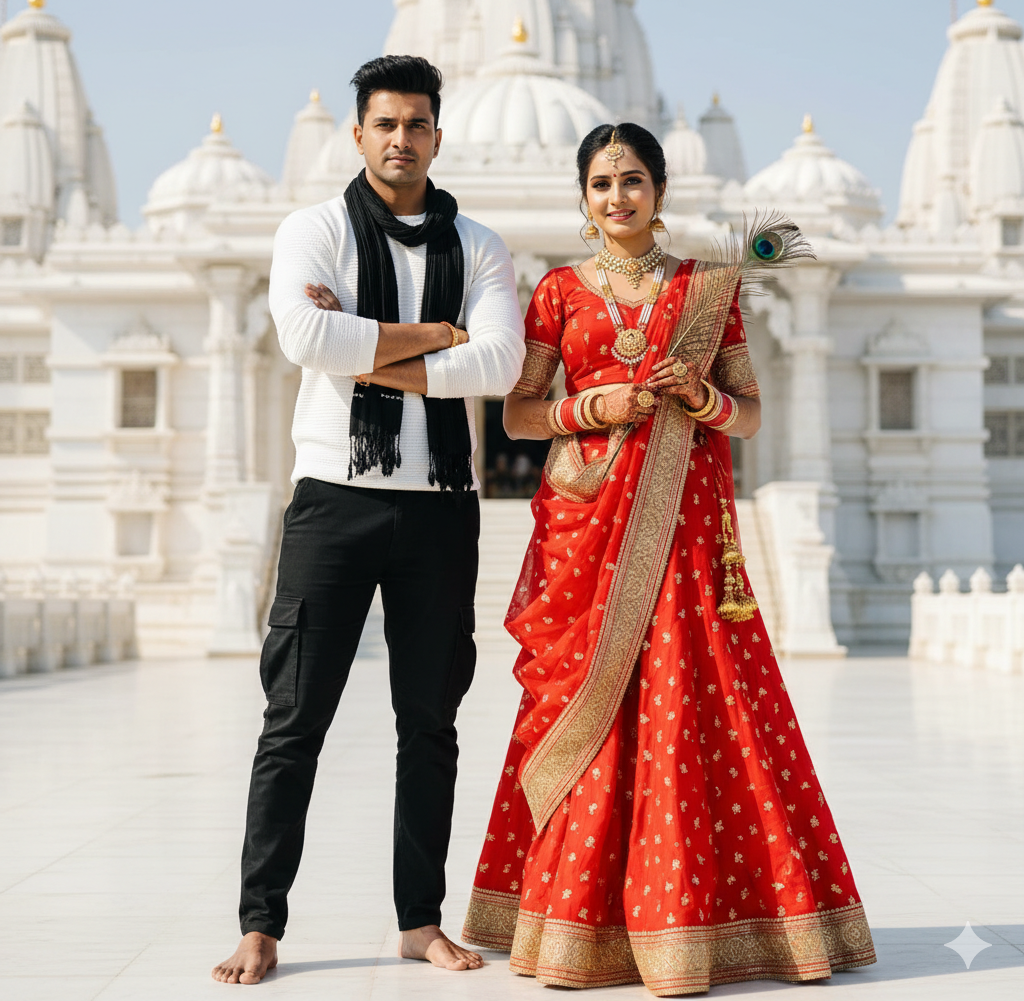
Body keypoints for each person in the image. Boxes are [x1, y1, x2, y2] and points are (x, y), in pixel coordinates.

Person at [461, 123, 876, 995]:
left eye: (635, 179)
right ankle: (575, 922)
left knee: (692, 697)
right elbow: (519, 416)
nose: (619, 196)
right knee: (589, 704)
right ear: (583, 196)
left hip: (685, 528)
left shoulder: (708, 287)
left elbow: (751, 414)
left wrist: (703, 398)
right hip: (589, 531)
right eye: (603, 182)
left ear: (660, 190)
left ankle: (700, 922)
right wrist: (597, 405)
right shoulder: (558, 293)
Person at [213, 55, 525, 985]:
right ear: (358, 135)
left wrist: (364, 349)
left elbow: (502, 366)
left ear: (437, 133)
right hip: (334, 503)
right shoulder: (312, 231)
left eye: (417, 124)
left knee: (429, 723)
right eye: (384, 124)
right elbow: (305, 339)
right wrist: (438, 334)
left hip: (440, 507)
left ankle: (419, 920)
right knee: (293, 720)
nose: (401, 139)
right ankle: (261, 922)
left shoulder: (480, 245)